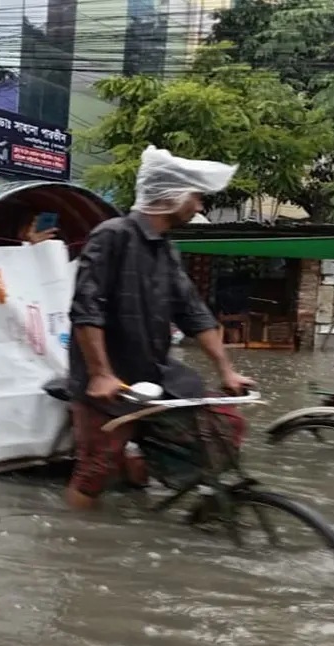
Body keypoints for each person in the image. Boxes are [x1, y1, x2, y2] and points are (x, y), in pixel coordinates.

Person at [66, 145, 253, 510]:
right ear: (171, 197)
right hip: (107, 382)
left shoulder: (167, 249)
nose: (199, 206)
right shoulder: (112, 235)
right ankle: (78, 545)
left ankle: (153, 476)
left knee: (223, 427)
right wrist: (101, 373)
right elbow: (86, 307)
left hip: (153, 374)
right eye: (195, 197)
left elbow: (193, 312)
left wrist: (227, 370)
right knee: (95, 471)